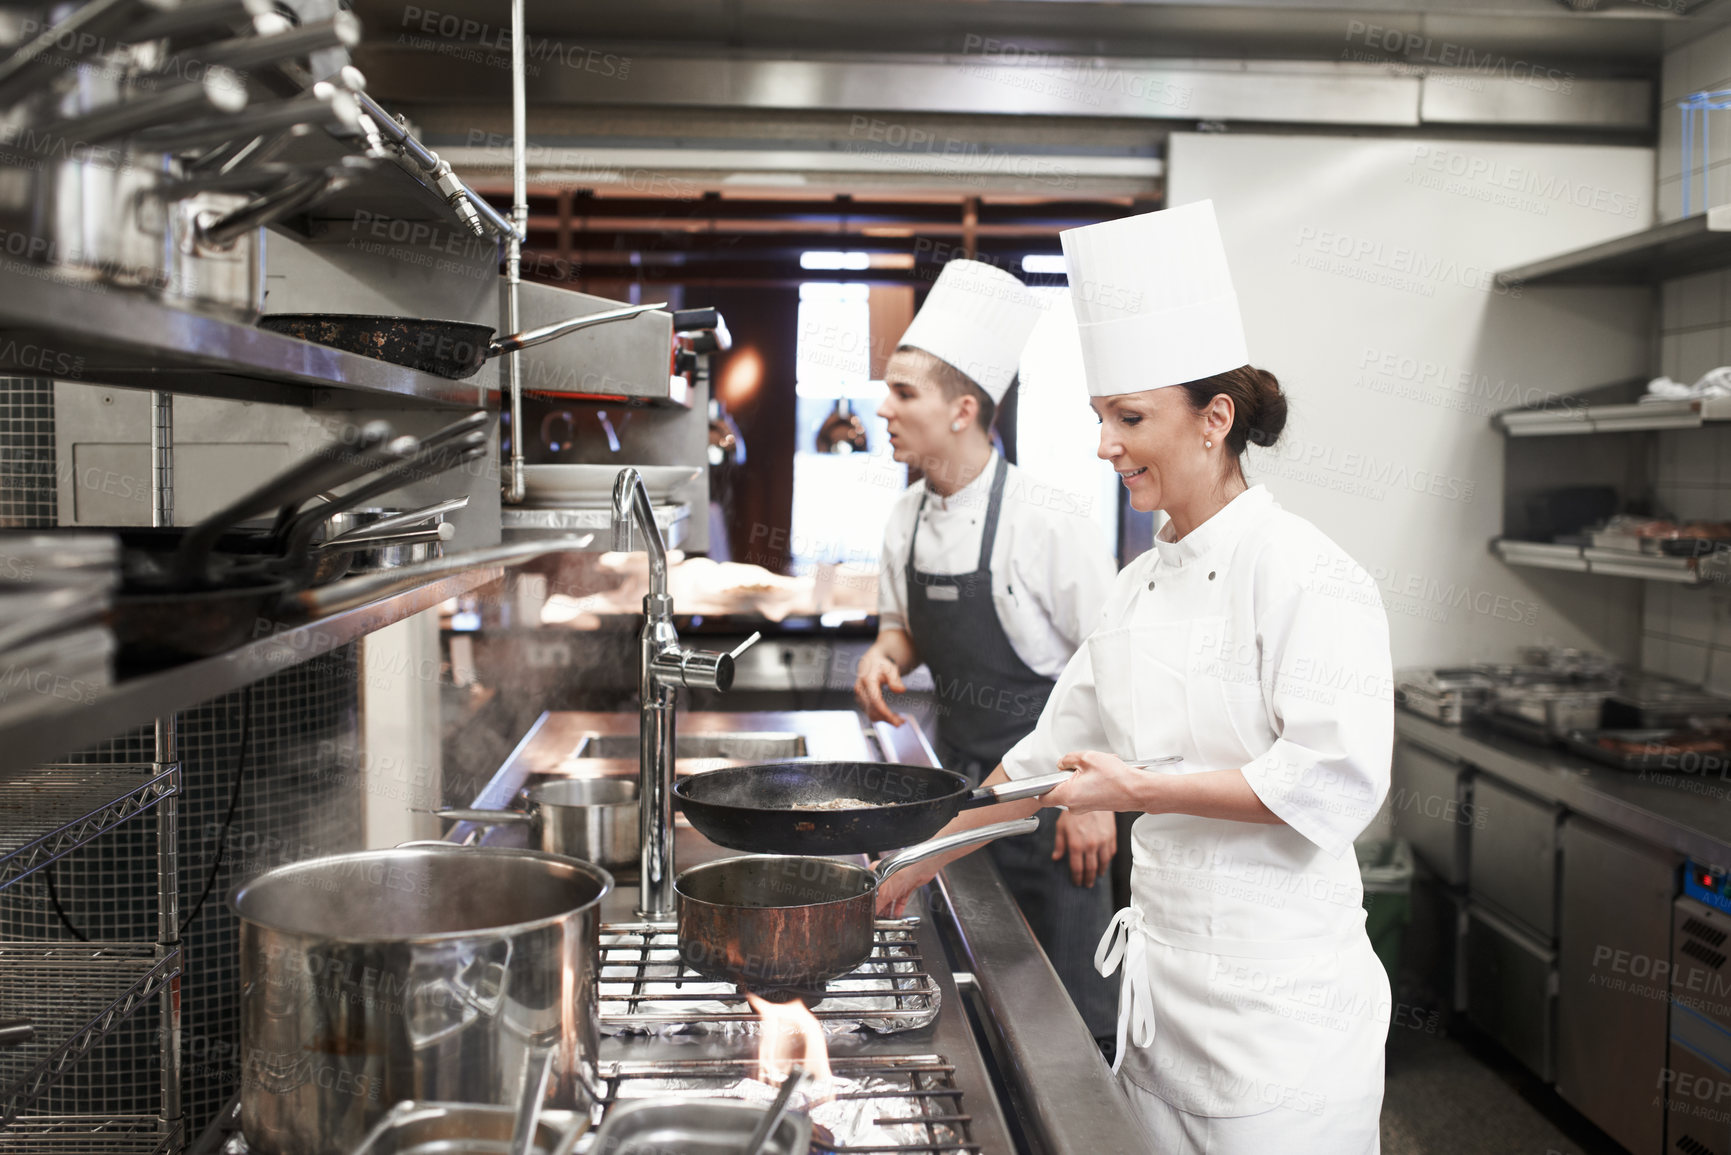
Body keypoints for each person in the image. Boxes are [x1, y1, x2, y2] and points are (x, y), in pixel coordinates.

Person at [875, 202, 1394, 1153]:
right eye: (1098, 417)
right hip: (1160, 1010)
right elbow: (1034, 762)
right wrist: (903, 863)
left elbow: (1334, 780)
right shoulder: (1134, 592)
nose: (1105, 444)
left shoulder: (1308, 574)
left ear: (1215, 420)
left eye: (1129, 418)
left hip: (1284, 1023)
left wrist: (1133, 789)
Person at [853, 257, 1121, 1047]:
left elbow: (1114, 665)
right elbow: (900, 622)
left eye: (903, 392)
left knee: (1072, 1015)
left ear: (963, 408)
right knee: (975, 996)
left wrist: (1096, 796)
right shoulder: (904, 514)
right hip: (961, 797)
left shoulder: (1048, 519)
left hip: (1053, 799)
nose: (884, 408)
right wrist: (883, 652)